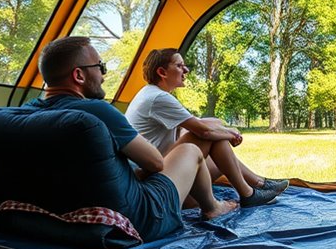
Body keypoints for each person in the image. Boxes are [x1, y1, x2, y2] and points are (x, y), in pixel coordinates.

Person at [31, 36, 237, 238]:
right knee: (190, 150)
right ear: (79, 76)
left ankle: (242, 189)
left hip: (66, 211)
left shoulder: (26, 114)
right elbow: (155, 162)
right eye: (100, 67)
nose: (103, 76)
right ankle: (214, 207)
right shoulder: (97, 111)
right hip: (141, 217)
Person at [126, 48, 288, 208]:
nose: (186, 70)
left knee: (220, 154)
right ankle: (250, 192)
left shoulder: (150, 94)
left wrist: (224, 129)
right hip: (154, 182)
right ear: (162, 72)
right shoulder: (159, 98)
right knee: (212, 139)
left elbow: (201, 123)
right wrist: (229, 133)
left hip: (158, 173)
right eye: (179, 66)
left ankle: (258, 184)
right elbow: (203, 130)